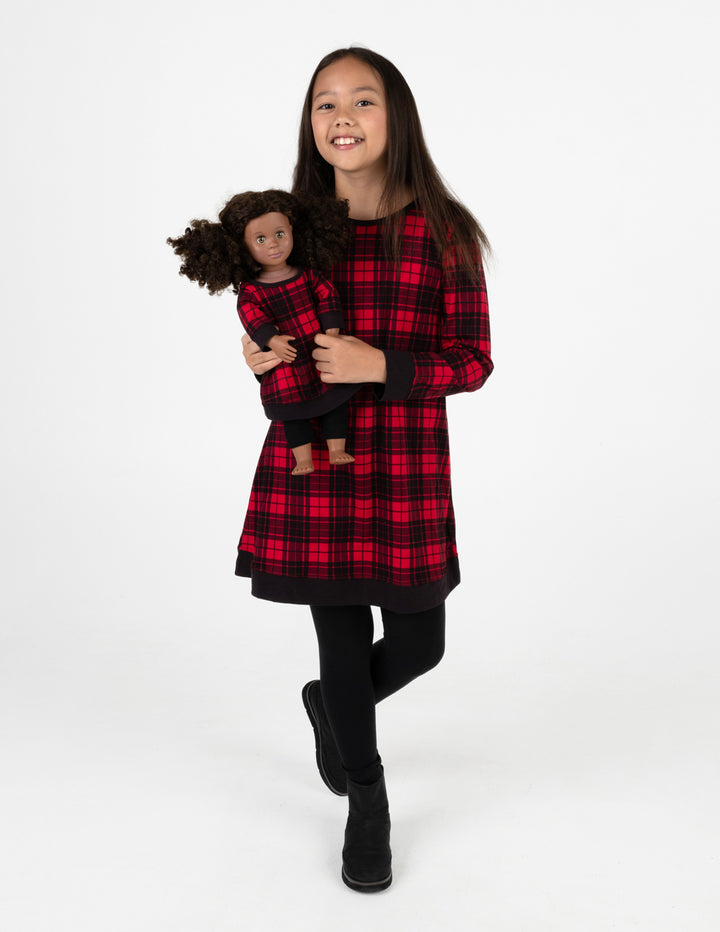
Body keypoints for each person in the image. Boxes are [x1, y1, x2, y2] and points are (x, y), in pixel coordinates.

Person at [239, 48, 493, 892]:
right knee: (341, 638)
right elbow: (265, 317)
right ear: (310, 123)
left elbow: (473, 360)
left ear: (397, 117)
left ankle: (333, 709)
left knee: (420, 642)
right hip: (317, 458)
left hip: (407, 463)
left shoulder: (444, 229)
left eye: (363, 100)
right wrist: (261, 355)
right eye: (325, 103)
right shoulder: (290, 227)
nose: (342, 116)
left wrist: (380, 364)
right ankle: (368, 800)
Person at [167, 190, 356, 475]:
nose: (273, 244)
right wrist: (271, 339)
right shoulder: (251, 291)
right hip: (287, 364)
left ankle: (337, 449)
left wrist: (332, 329)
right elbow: (251, 315)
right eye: (260, 239)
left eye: (279, 234)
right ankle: (302, 459)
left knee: (334, 403)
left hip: (320, 354)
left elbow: (327, 295)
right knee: (293, 415)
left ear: (293, 230)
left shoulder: (307, 275)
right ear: (242, 247)